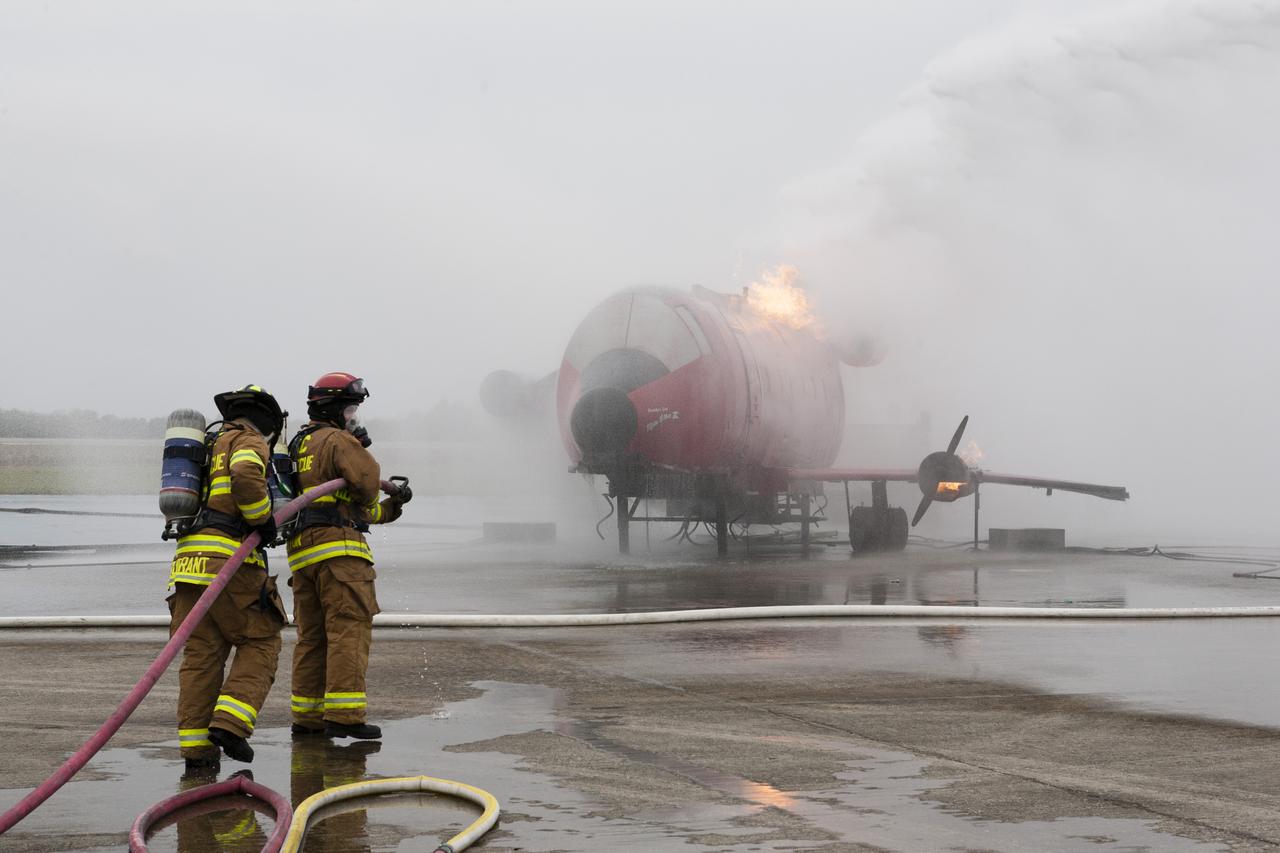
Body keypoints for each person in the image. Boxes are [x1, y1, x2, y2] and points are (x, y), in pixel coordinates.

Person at [168, 384, 288, 769]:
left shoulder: (205, 444)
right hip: (229, 563)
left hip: (187, 566)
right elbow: (245, 475)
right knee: (262, 640)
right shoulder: (248, 439)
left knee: (201, 658)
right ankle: (231, 725)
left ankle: (197, 754)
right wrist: (262, 519)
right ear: (267, 419)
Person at [287, 372, 411, 739]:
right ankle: (345, 717)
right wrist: (359, 444)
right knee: (348, 632)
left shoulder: (298, 445)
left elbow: (356, 508)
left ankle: (307, 719)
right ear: (335, 408)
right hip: (341, 556)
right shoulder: (338, 440)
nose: (354, 416)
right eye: (351, 409)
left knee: (312, 639)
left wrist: (394, 508)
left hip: (303, 555)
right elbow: (366, 483)